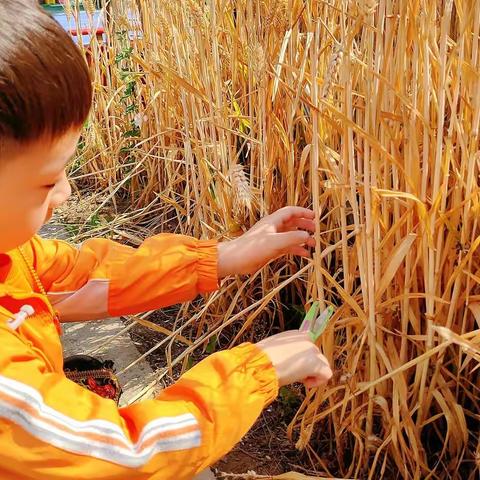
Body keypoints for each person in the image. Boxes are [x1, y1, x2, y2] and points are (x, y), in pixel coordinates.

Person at [0, 1, 332, 479]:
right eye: (48, 181)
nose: (66, 193)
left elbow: (84, 277)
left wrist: (221, 257)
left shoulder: (12, 257)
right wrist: (256, 369)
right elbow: (125, 453)